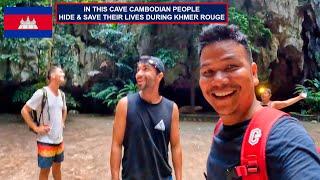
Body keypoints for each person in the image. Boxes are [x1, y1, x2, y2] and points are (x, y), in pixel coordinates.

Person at [198, 24, 320, 179]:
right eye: (208, 72)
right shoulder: (220, 128)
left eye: (231, 67)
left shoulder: (284, 136)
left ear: (253, 73)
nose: (219, 80)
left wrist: (299, 98)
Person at [110, 56, 182, 180]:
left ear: (159, 76)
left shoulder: (171, 108)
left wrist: (179, 178)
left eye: (145, 69)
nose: (139, 74)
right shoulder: (125, 104)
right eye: (138, 69)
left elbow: (175, 146)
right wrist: (115, 178)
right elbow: (116, 144)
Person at [21, 66, 67, 180]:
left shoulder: (62, 94)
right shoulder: (42, 93)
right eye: (60, 72)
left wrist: (62, 122)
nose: (63, 74)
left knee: (57, 169)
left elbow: (64, 109)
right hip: (45, 141)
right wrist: (35, 128)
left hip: (59, 140)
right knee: (45, 171)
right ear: (52, 76)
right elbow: (24, 111)